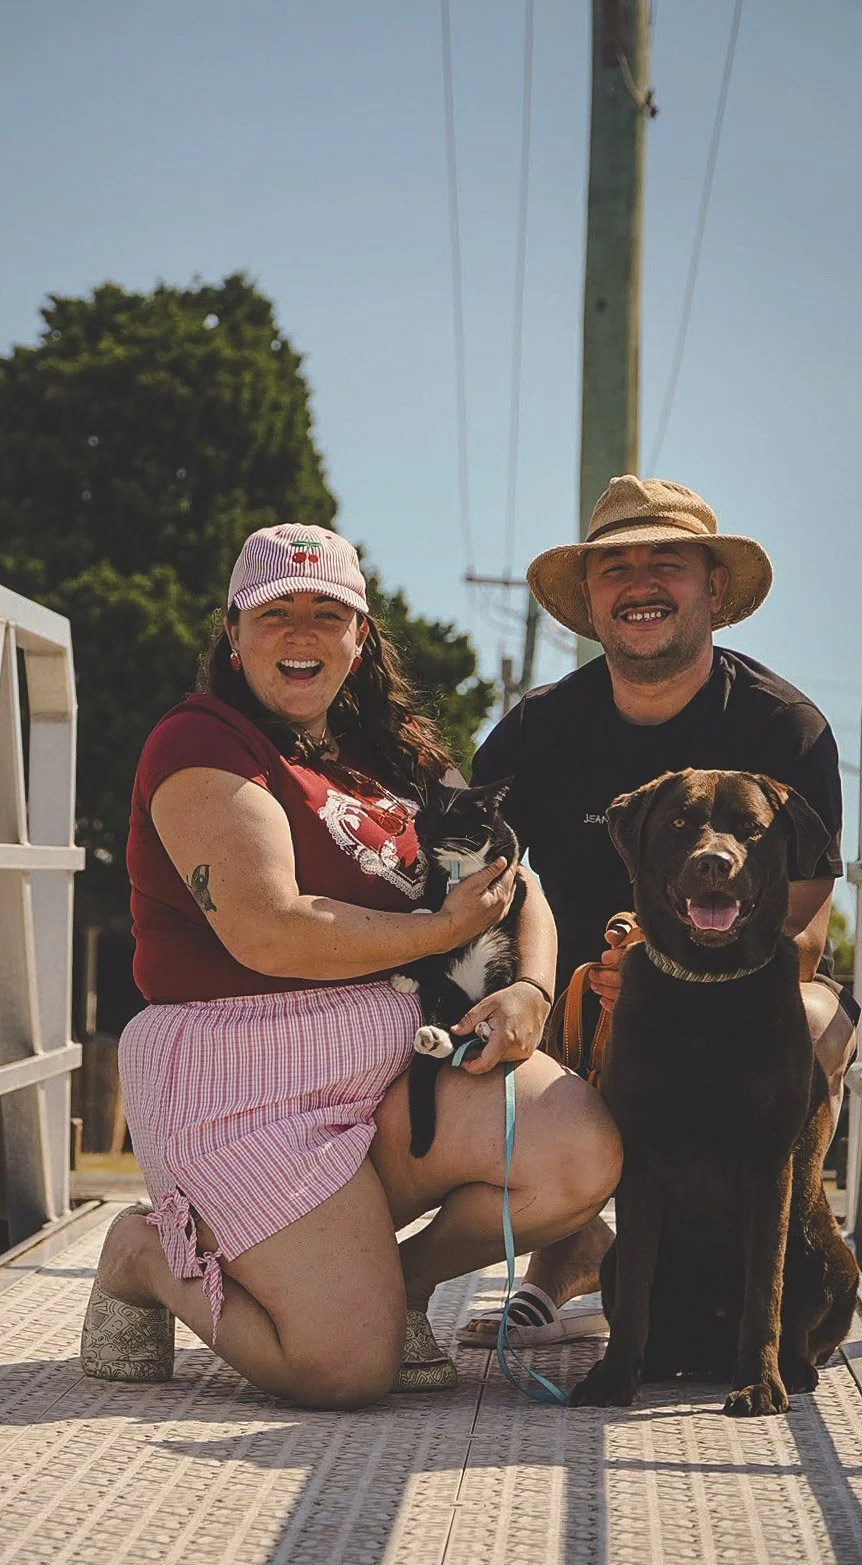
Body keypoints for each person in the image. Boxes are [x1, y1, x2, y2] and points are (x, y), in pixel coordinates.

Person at [79, 523, 621, 1409]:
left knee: (579, 1147)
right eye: (275, 613)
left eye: (326, 613)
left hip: (392, 1065)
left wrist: (528, 984)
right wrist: (436, 928)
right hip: (241, 1081)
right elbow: (271, 931)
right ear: (234, 632)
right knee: (343, 1369)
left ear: (360, 635)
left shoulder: (396, 751)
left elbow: (513, 878)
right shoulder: (199, 742)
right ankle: (147, 1257)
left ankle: (394, 1285)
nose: (301, 634)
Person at [455, 474, 859, 1352]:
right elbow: (466, 875)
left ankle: (764, 1283)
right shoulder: (535, 729)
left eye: (664, 562)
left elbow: (803, 933)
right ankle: (564, 1258)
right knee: (479, 1024)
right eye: (614, 568)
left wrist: (658, 972)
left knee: (821, 1018)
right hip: (574, 1009)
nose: (639, 584)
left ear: (713, 588)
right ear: (592, 600)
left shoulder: (785, 729)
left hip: (740, 1004)